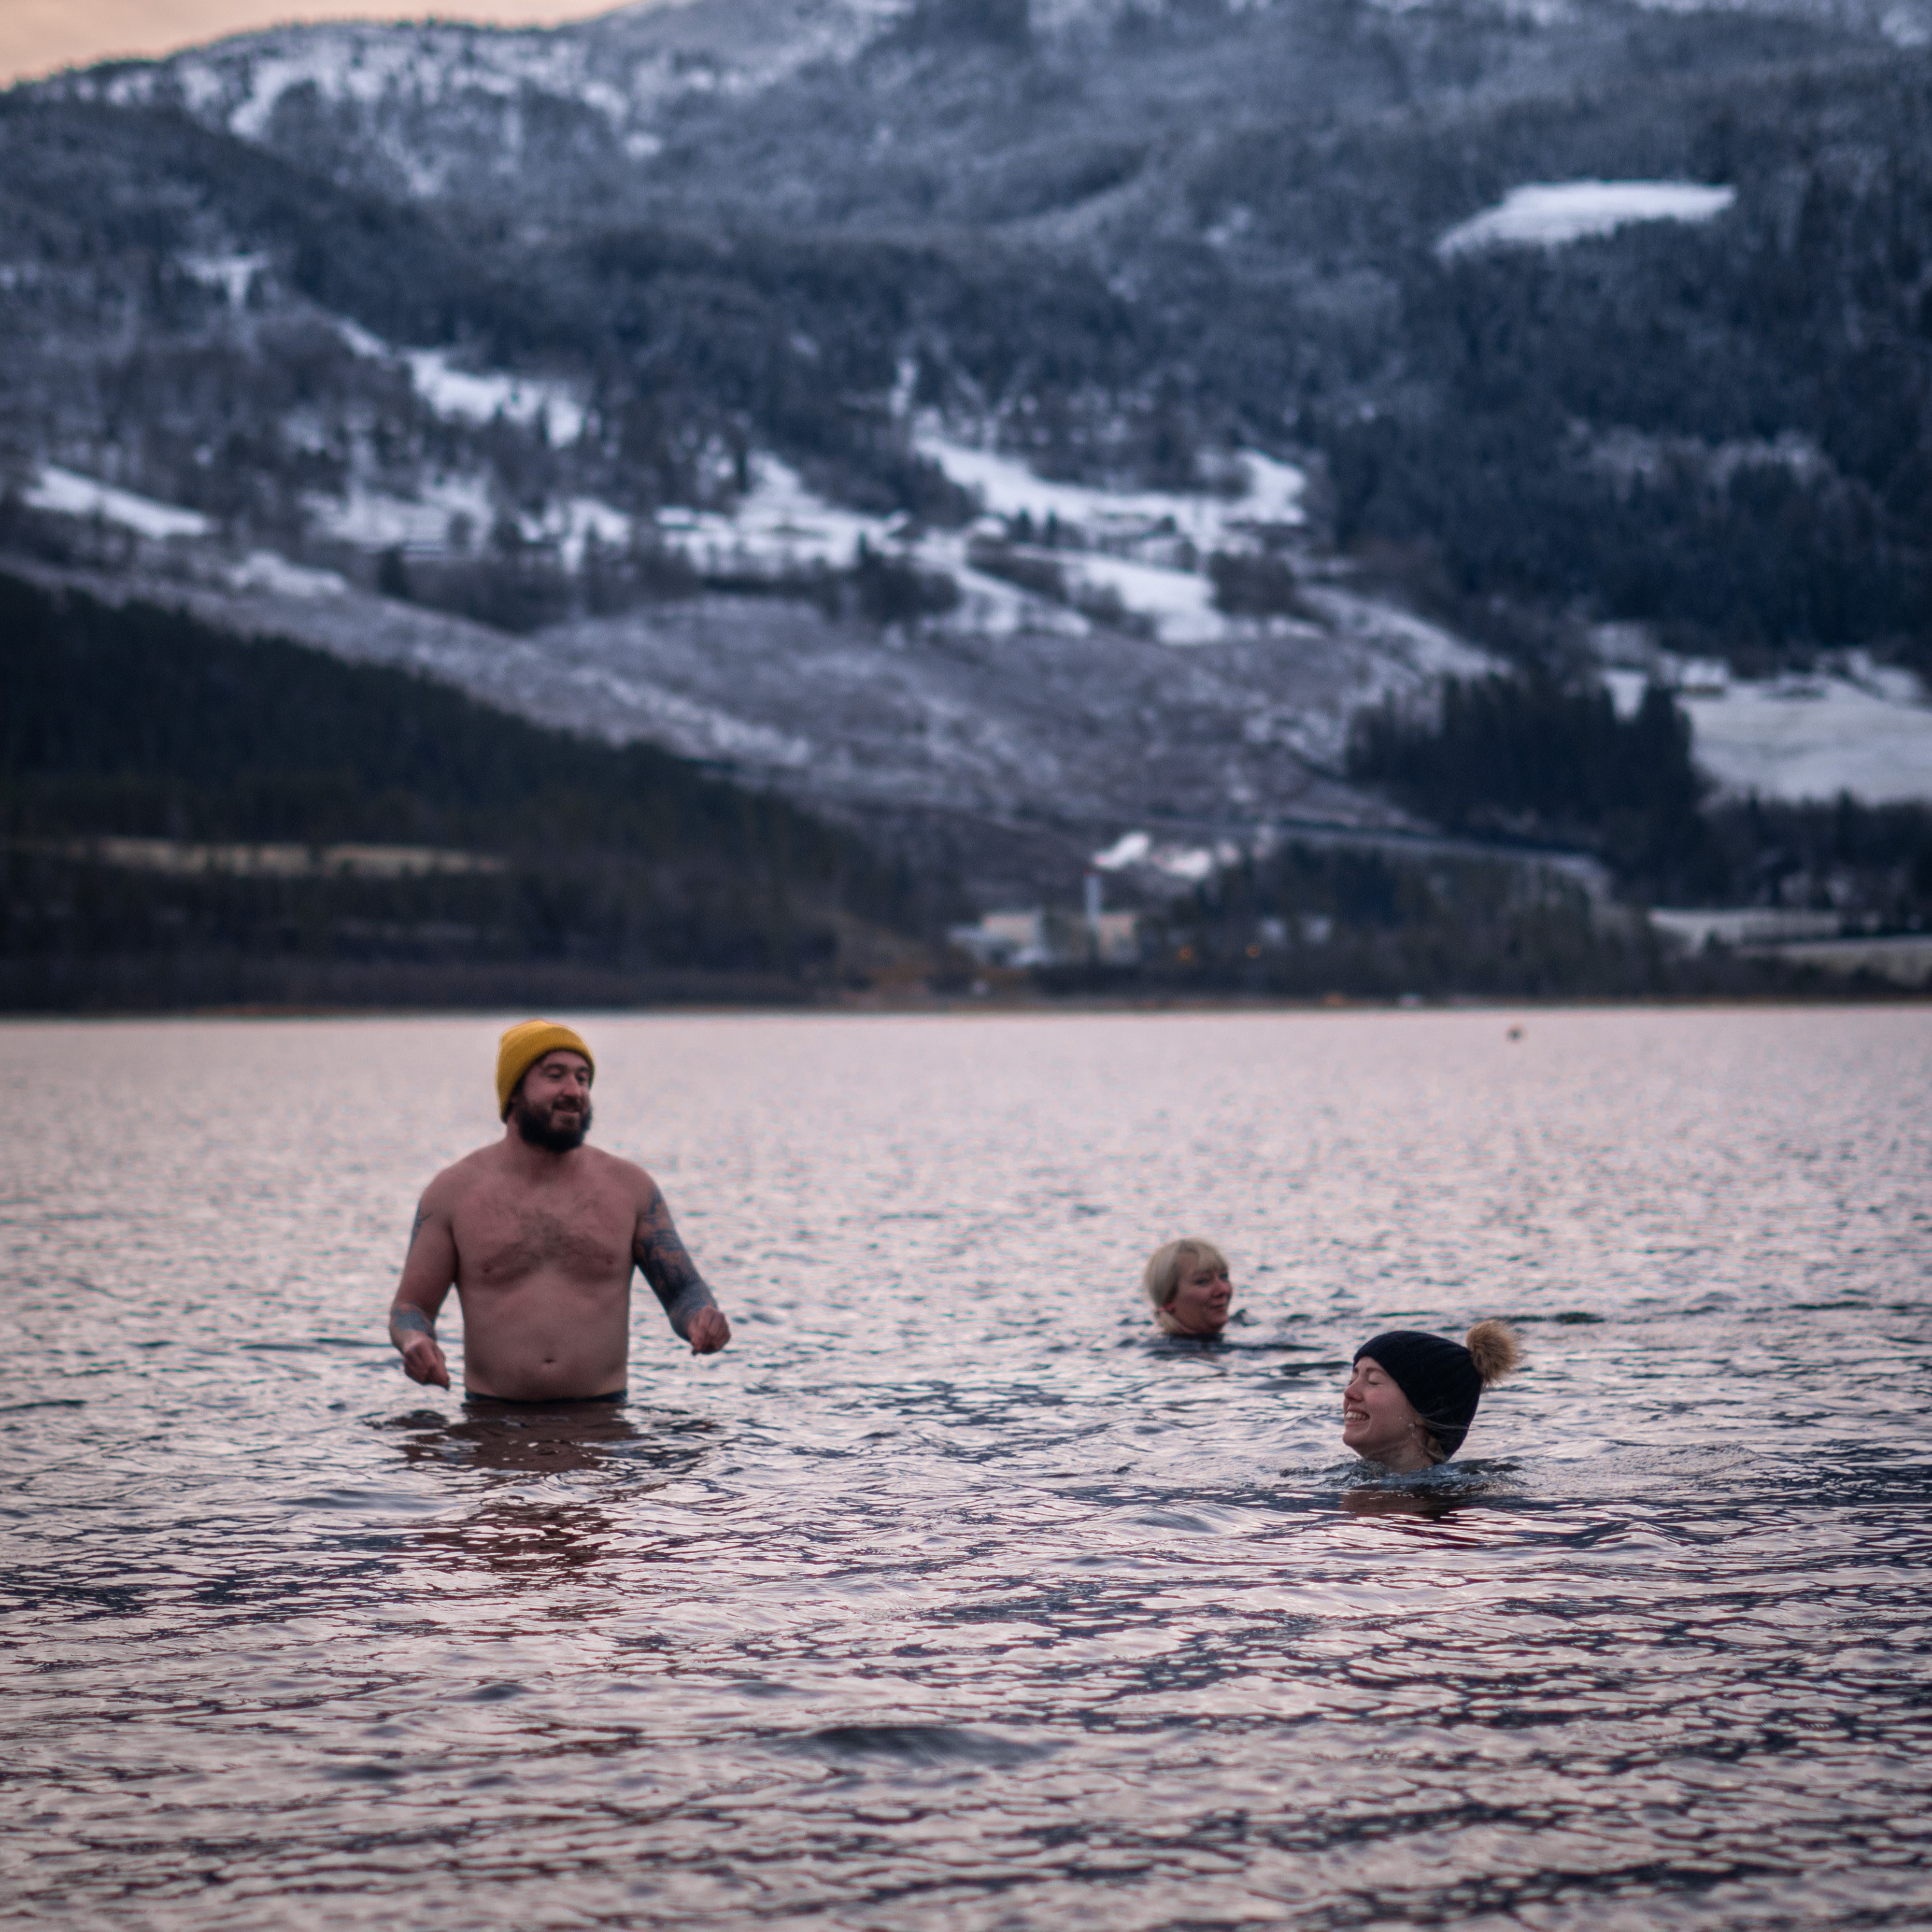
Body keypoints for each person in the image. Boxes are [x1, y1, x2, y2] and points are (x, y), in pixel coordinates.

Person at [387, 1020, 731, 1402]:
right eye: (555, 1076)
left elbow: (683, 1291)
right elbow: (411, 1306)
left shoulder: (630, 1189)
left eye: (583, 1079)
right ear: (514, 1092)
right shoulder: (454, 1193)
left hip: (602, 1429)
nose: (575, 1091)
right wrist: (416, 1341)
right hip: (492, 1429)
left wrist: (703, 1317)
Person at [1340, 1321, 1520, 1470]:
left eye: (1373, 1381)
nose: (1350, 1392)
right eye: (1352, 1380)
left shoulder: (1459, 1496)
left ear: (1423, 1411)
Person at [1141, 1237, 1234, 1339]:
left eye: (1224, 1277)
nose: (1223, 1290)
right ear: (1168, 1300)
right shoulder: (1169, 1352)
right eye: (1203, 1281)